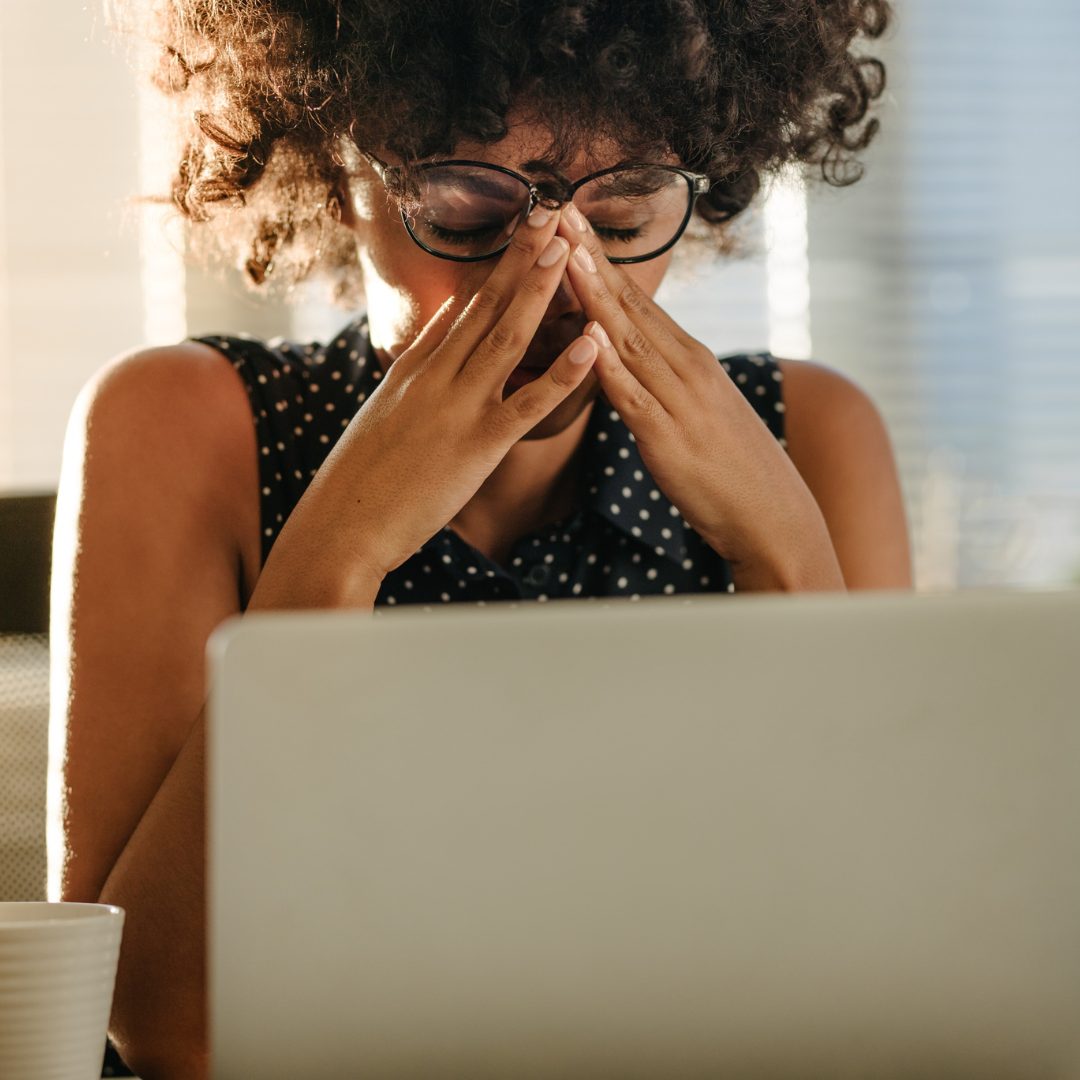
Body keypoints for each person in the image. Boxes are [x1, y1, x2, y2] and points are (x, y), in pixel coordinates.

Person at [52, 1, 910, 1075]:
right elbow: (169, 1028)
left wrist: (787, 554)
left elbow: (887, 989)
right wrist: (338, 554)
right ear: (337, 167)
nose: (550, 274)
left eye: (629, 207)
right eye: (462, 205)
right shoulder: (186, 425)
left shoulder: (813, 439)